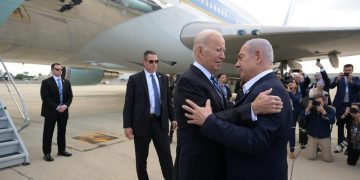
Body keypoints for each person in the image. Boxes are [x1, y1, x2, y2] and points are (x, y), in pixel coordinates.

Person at [173, 31, 283, 180]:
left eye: (223, 51)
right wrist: (251, 108)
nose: (223, 56)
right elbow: (206, 121)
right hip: (199, 168)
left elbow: (218, 115)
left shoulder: (211, 80)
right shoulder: (189, 81)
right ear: (200, 50)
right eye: (218, 50)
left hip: (214, 165)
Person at [123, 50, 176, 180]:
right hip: (142, 125)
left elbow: (168, 102)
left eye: (156, 61)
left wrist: (173, 118)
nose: (154, 64)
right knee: (141, 160)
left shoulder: (163, 78)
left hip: (160, 123)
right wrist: (127, 125)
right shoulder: (135, 79)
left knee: (166, 158)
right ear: (144, 62)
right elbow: (128, 104)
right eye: (151, 61)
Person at [40, 63, 73, 162]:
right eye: (57, 69)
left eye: (61, 70)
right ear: (52, 70)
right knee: (48, 133)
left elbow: (70, 96)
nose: (59, 71)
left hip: (63, 111)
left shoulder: (66, 82)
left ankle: (61, 150)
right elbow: (45, 97)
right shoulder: (46, 82)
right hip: (51, 112)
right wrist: (57, 107)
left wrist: (65, 106)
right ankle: (47, 153)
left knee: (62, 131)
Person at [330, 64, 360, 153]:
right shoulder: (339, 78)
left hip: (351, 105)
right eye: (346, 70)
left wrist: (351, 81)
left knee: (350, 126)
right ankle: (339, 145)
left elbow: (359, 87)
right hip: (340, 105)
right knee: (340, 124)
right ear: (343, 70)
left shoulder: (356, 78)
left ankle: (348, 146)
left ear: (352, 70)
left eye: (349, 70)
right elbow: (331, 86)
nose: (347, 72)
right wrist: (337, 79)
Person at [303, 92, 335, 162]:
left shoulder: (329, 109)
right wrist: (308, 107)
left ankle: (321, 149)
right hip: (312, 136)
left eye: (320, 102)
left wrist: (324, 112)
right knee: (310, 157)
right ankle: (314, 149)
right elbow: (302, 119)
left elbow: (332, 121)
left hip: (324, 137)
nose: (318, 104)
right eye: (316, 102)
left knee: (328, 159)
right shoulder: (311, 109)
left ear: (324, 101)